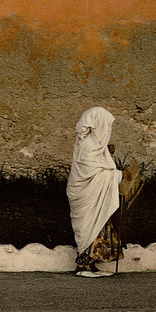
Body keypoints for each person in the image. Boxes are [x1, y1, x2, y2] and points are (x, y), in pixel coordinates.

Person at [67, 106, 123, 277]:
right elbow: (93, 174)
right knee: (88, 228)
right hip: (86, 196)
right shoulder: (89, 145)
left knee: (97, 227)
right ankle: (83, 266)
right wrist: (118, 175)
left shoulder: (95, 145)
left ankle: (90, 264)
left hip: (93, 197)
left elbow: (100, 167)